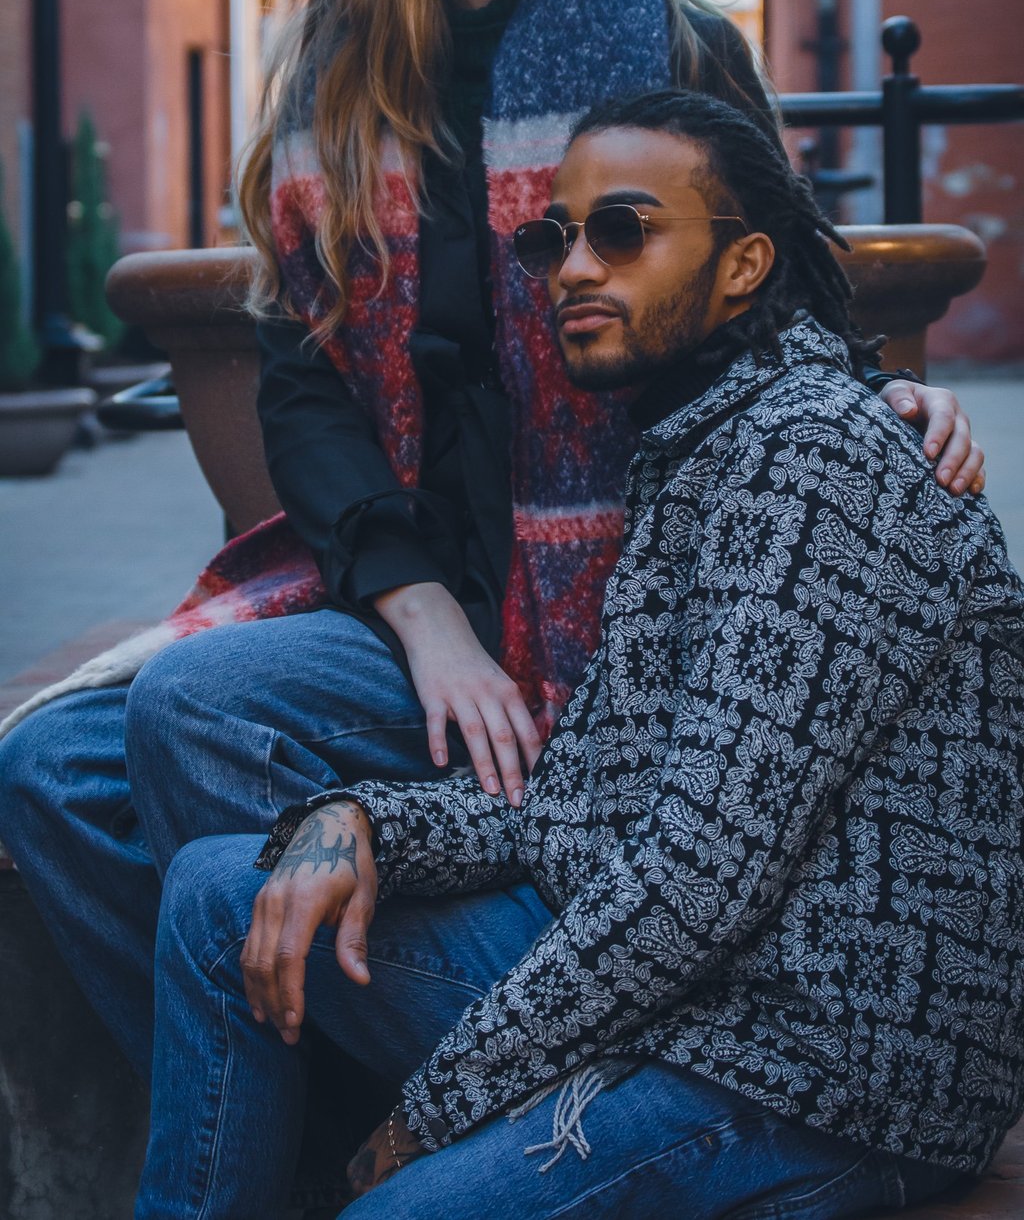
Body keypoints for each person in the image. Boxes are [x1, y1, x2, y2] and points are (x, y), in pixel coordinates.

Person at [0, 0, 983, 1093]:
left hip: (620, 625)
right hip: (424, 606)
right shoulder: (340, 79)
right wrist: (425, 621)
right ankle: (296, 1091)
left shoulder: (671, 43)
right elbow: (305, 384)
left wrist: (880, 411)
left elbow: (783, 290)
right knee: (49, 774)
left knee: (195, 716)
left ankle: (451, 1055)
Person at [136, 90, 1024, 1220]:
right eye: (555, 236)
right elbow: (583, 812)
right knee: (224, 891)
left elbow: (697, 879)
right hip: (707, 990)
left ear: (746, 265)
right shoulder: (704, 442)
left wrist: (432, 1112)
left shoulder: (809, 463)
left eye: (624, 229)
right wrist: (357, 820)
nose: (571, 268)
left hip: (821, 1070)